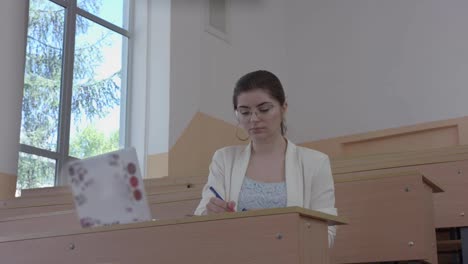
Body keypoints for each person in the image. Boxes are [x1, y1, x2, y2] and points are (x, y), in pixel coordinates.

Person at [194, 70, 337, 246]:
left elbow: (327, 232)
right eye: (245, 112)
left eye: (264, 109)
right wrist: (209, 213)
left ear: (283, 108)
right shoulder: (224, 159)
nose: (254, 119)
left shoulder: (315, 163)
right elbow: (200, 216)